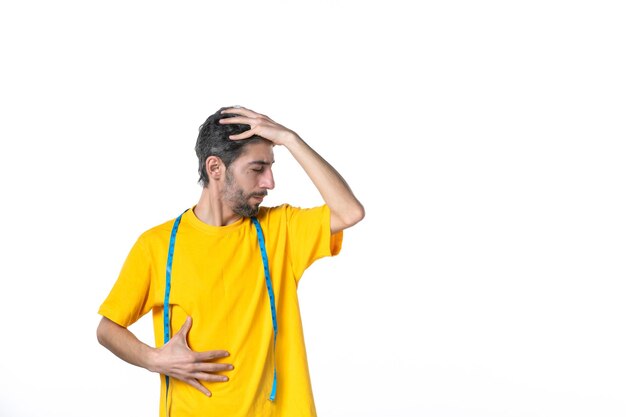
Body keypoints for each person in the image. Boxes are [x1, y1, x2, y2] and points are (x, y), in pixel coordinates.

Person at [96, 105, 365, 417]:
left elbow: (350, 212)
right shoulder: (157, 246)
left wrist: (291, 139)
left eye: (271, 168)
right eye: (257, 169)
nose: (270, 182)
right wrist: (154, 359)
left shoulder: (280, 230)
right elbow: (108, 328)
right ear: (215, 168)